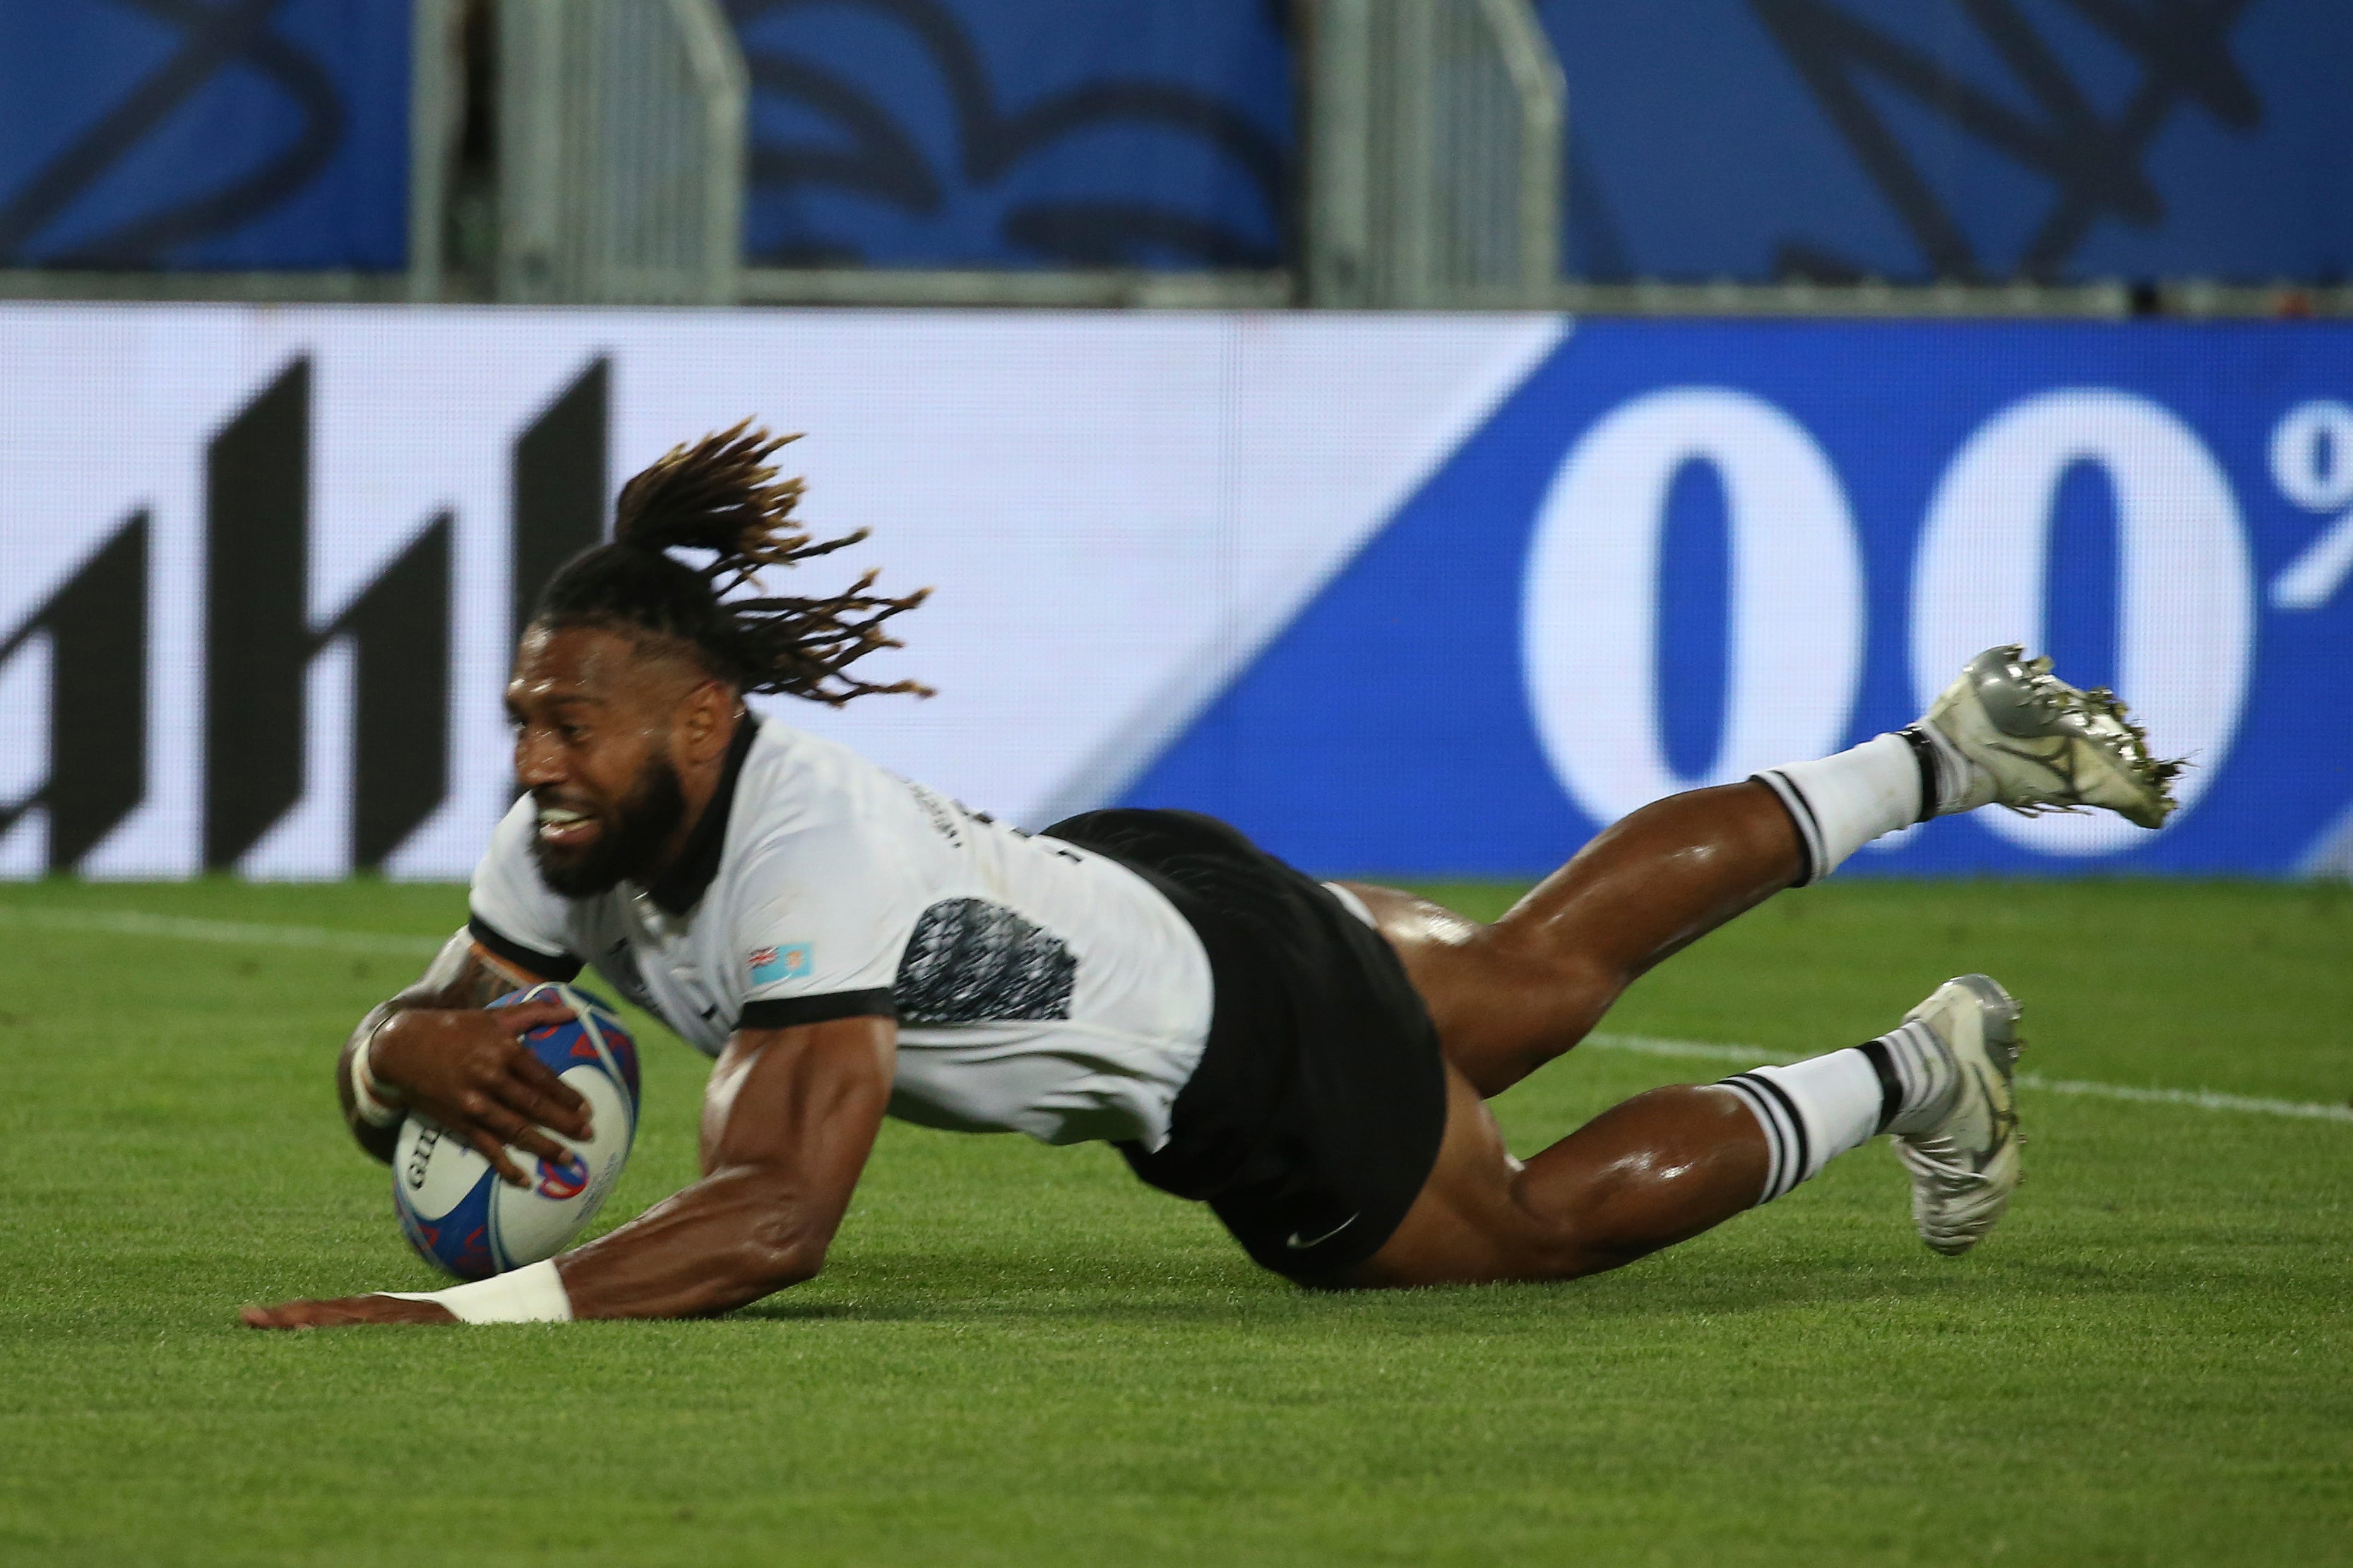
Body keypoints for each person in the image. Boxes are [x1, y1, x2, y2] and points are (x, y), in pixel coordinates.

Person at [242, 424, 2177, 1329]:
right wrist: (383, 1053)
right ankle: (1940, 756)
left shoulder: (793, 837)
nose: (531, 764)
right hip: (1157, 888)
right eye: (522, 721)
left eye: (568, 726)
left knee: (1517, 1232)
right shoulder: (565, 837)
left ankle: (1921, 1070)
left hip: (1224, 1034)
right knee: (1525, 984)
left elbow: (773, 1218)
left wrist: (450, 1322)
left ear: (692, 723)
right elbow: (444, 1032)